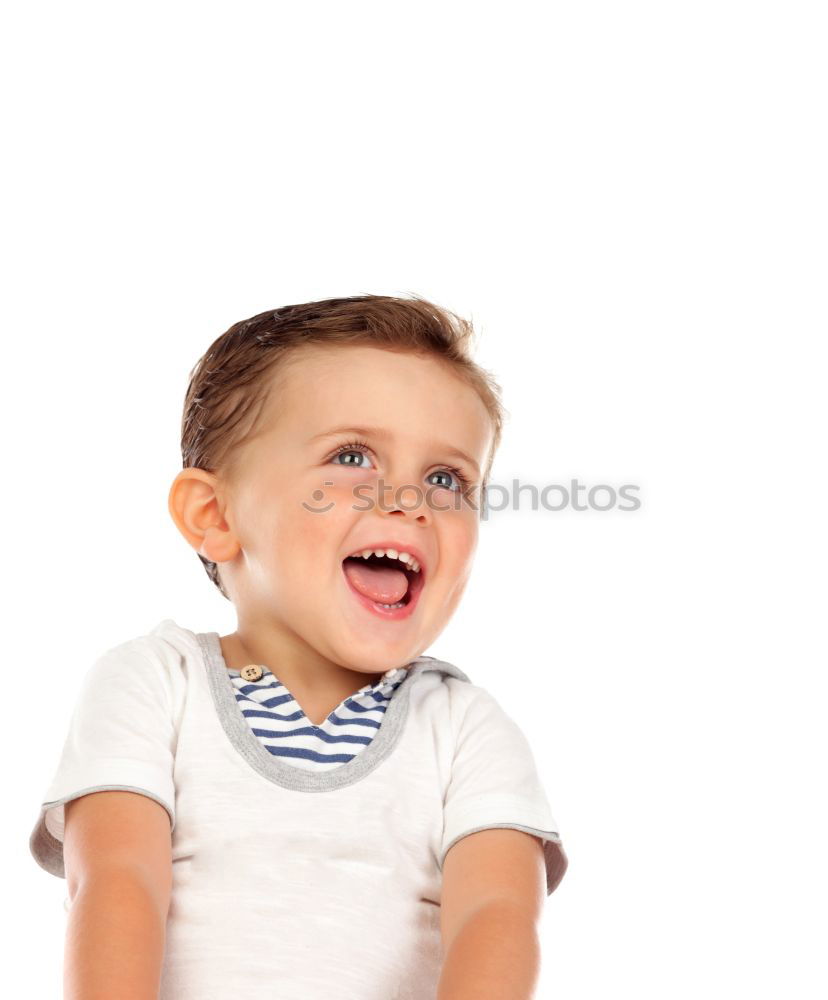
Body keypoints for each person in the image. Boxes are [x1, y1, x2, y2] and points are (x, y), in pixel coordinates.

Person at [28, 294, 569, 999]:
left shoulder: (464, 729)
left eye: (447, 479)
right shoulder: (156, 683)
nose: (411, 499)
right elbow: (115, 883)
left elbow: (497, 918)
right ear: (216, 515)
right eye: (352, 456)